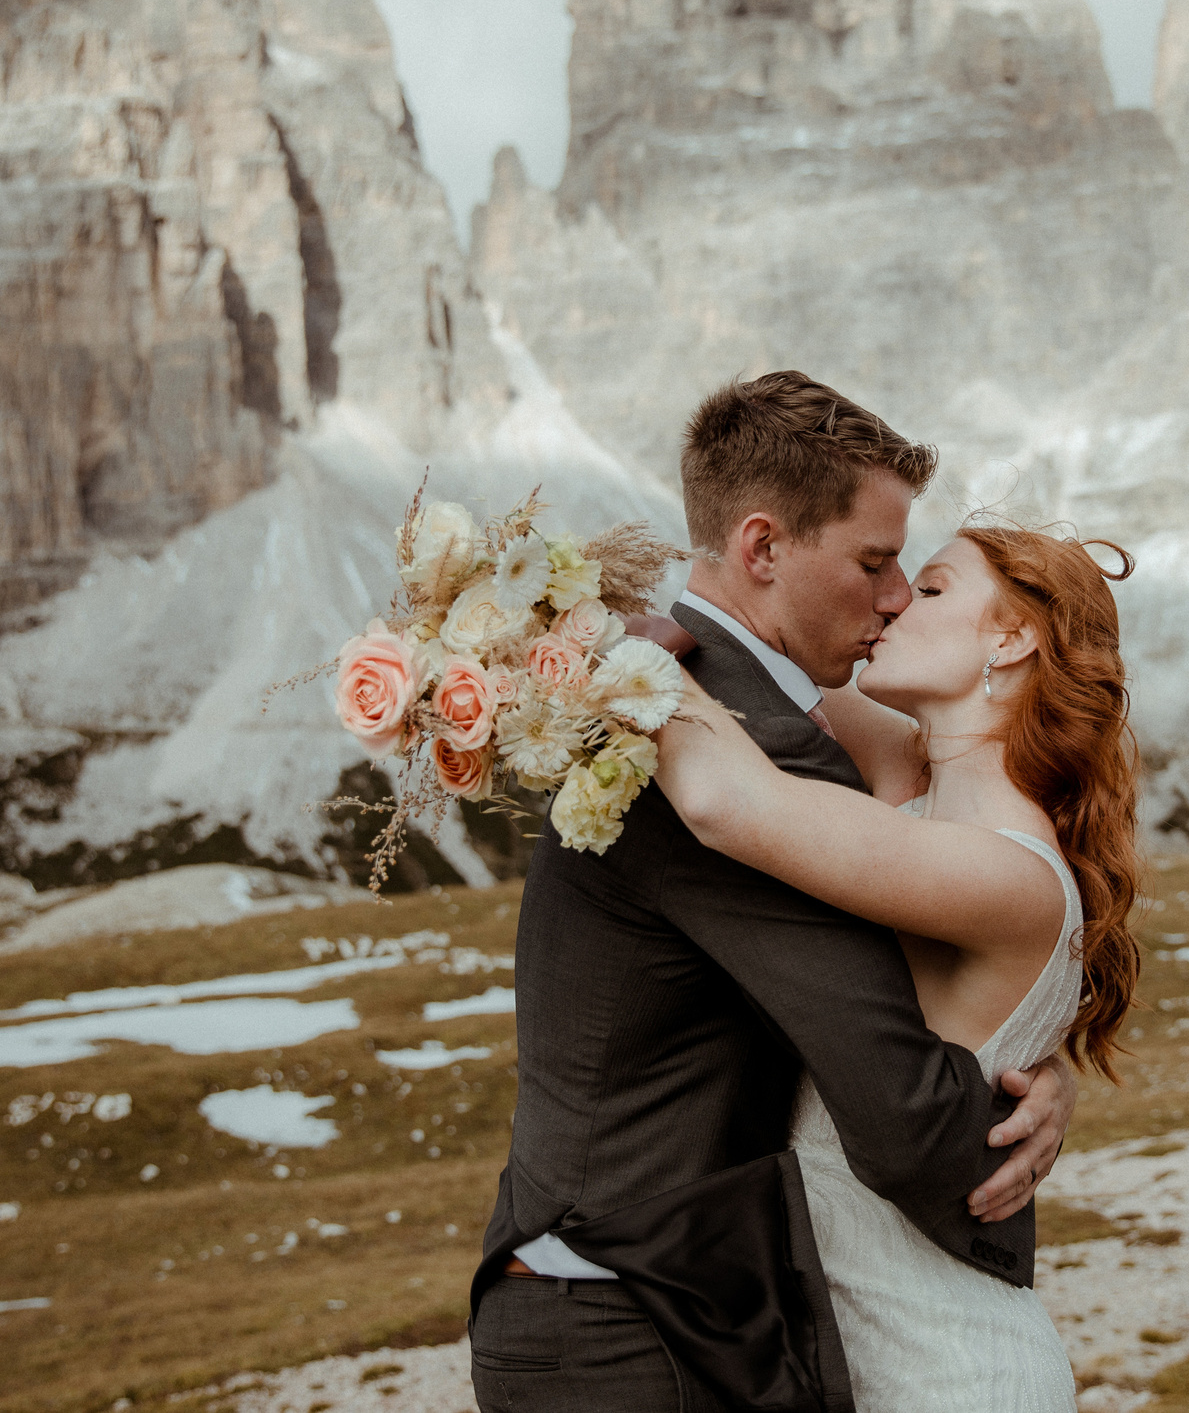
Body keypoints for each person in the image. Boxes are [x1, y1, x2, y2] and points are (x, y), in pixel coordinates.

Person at [468, 372, 1079, 1413]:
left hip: (662, 1298)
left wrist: (1024, 1037)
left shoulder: (716, 705)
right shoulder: (737, 742)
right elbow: (899, 1111)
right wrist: (1009, 1111)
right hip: (624, 1318)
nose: (891, 598)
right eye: (877, 563)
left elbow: (947, 914)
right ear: (761, 549)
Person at [651, 519, 1142, 1412]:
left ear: (1012, 637)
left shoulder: (1011, 874)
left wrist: (600, 665)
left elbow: (722, 798)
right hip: (849, 1349)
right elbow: (760, 654)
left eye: (935, 587)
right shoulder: (911, 781)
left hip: (953, 1372)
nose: (895, 601)